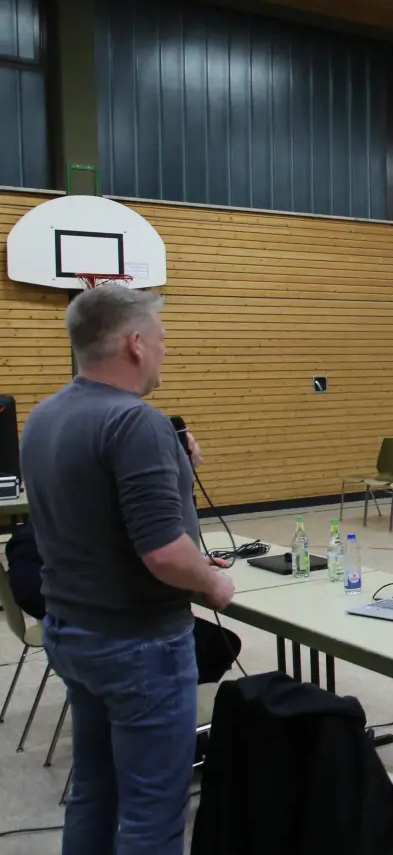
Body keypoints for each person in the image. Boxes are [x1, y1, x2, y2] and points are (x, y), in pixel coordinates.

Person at [20, 285, 235, 854]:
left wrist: (178, 475)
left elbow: (97, 522)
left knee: (96, 790)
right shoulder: (135, 423)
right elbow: (163, 554)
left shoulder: (43, 417)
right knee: (152, 814)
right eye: (162, 340)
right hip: (137, 646)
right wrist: (211, 580)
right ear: (136, 343)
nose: (166, 351)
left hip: (74, 631)